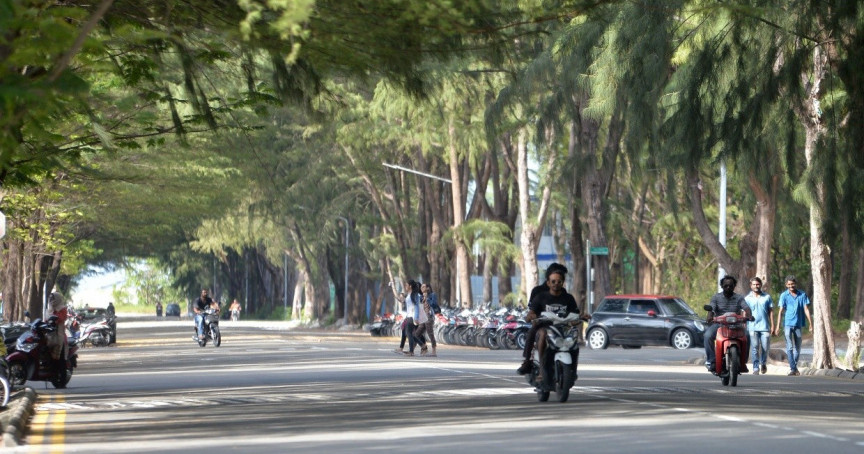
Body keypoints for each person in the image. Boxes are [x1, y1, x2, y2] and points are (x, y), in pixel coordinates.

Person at [517, 265, 583, 380]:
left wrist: (579, 318)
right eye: (554, 280)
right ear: (549, 280)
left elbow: (571, 311)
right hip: (542, 324)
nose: (557, 283)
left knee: (574, 341)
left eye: (560, 280)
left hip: (561, 326)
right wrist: (533, 316)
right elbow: (532, 310)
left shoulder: (565, 295)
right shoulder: (538, 292)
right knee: (536, 332)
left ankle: (572, 370)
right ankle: (528, 361)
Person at [704, 275, 753, 374]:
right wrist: (709, 317)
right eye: (726, 286)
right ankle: (712, 361)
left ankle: (743, 361)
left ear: (734, 286)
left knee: (747, 336)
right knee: (707, 336)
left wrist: (749, 315)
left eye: (730, 286)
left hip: (736, 325)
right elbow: (712, 308)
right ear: (722, 286)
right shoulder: (716, 297)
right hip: (719, 324)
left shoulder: (739, 298)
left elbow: (746, 308)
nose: (728, 288)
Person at [773, 275, 813, 376]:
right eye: (789, 284)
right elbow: (781, 311)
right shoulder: (784, 295)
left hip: (798, 324)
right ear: (786, 285)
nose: (791, 286)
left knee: (798, 347)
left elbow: (806, 309)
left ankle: (793, 367)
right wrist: (777, 326)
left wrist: (811, 324)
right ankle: (793, 368)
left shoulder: (802, 295)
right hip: (787, 324)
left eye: (793, 284)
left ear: (795, 284)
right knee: (789, 346)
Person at [745, 277, 773, 375]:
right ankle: (756, 367)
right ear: (750, 286)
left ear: (760, 285)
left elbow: (771, 312)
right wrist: (744, 325)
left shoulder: (767, 297)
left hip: (765, 327)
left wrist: (772, 325)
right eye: (754, 284)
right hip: (752, 327)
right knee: (755, 347)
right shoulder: (747, 298)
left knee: (765, 347)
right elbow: (744, 313)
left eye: (758, 284)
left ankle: (763, 363)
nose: (756, 286)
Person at [418, 283, 441, 357]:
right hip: (422, 317)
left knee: (430, 333)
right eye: (421, 287)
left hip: (429, 316)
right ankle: (423, 348)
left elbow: (434, 304)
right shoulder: (421, 297)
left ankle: (434, 351)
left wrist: (427, 298)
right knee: (416, 334)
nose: (421, 288)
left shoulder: (432, 295)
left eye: (423, 287)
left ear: (428, 288)